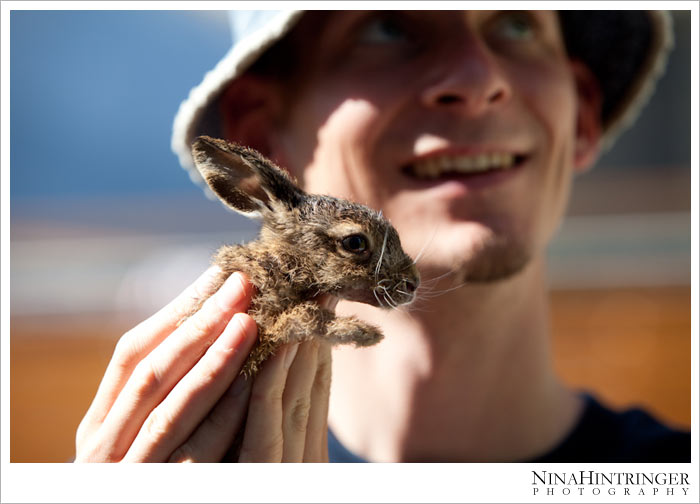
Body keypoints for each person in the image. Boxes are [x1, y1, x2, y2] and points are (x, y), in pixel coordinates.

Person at [75, 10, 689, 462]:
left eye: (518, 24)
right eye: (389, 27)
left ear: (580, 110)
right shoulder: (171, 465)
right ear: (260, 137)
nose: (476, 79)